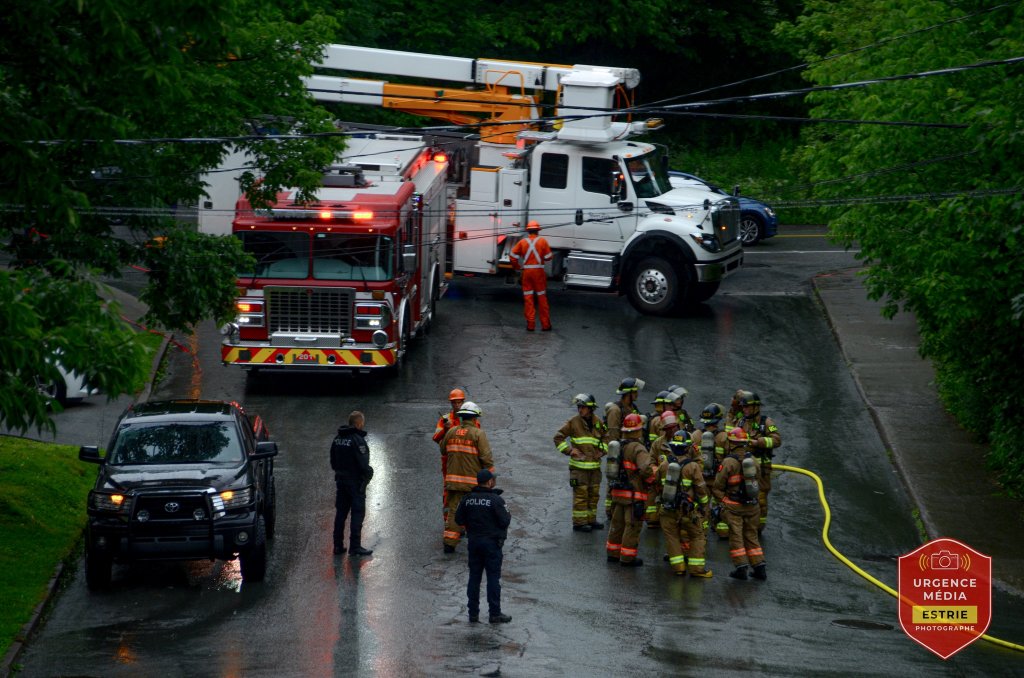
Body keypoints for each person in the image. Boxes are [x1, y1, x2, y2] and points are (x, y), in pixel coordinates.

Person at [455, 469, 512, 624]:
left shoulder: (467, 499)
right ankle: (495, 614)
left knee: (474, 577)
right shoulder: (496, 500)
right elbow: (505, 521)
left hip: (474, 543)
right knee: (493, 578)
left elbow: (458, 519)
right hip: (492, 544)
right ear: (489, 482)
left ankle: (473, 614)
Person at [712, 427, 766, 580]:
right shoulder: (753, 460)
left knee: (736, 535)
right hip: (752, 506)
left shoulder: (728, 462)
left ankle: (741, 568)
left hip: (734, 506)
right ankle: (759, 567)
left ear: (731, 443)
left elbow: (717, 486)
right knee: (751, 535)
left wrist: (723, 501)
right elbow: (758, 481)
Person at [441, 402, 494, 553]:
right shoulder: (478, 434)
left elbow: (443, 450)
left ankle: (449, 543)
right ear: (475, 418)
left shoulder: (451, 431)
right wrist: (490, 477)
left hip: (453, 482)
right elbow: (486, 458)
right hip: (472, 483)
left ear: (462, 417)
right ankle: (478, 543)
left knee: (453, 511)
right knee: (476, 512)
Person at [659, 431, 712, 577]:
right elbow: (701, 489)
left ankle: (679, 568)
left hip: (667, 509)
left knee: (672, 537)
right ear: (687, 448)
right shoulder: (693, 466)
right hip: (688, 510)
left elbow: (657, 485)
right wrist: (704, 507)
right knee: (698, 536)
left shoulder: (664, 465)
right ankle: (697, 570)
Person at [606, 413, 656, 567]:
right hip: (634, 495)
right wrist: (652, 479)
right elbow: (646, 469)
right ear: (638, 430)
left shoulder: (619, 446)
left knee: (617, 523)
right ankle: (627, 558)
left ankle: (613, 553)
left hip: (618, 492)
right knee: (632, 525)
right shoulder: (638, 448)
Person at [553, 393, 609, 532]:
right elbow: (558, 437)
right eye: (579, 407)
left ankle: (591, 520)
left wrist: (602, 451)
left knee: (593, 495)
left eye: (583, 407)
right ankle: (579, 523)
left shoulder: (598, 422)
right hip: (578, 468)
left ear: (590, 408)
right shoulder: (573, 422)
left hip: (594, 468)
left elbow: (607, 438)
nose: (580, 410)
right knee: (581, 495)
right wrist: (569, 450)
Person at [734, 391, 782, 534]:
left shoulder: (766, 422)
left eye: (747, 407)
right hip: (743, 466)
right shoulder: (740, 421)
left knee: (760, 498)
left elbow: (777, 440)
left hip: (762, 469)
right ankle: (743, 524)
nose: (745, 409)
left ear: (756, 407)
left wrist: (759, 442)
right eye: (743, 407)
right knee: (741, 494)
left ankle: (758, 527)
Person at [330, 411, 374, 556]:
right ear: (359, 424)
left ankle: (337, 545)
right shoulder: (357, 440)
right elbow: (364, 464)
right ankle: (355, 547)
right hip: (355, 483)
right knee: (357, 513)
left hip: (340, 480)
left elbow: (333, 461)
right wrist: (368, 473)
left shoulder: (337, 439)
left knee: (341, 514)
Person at [433, 388, 470, 522]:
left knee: (466, 488)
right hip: (449, 460)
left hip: (466, 459)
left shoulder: (469, 418)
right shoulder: (445, 419)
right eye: (454, 403)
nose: (457, 405)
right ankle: (448, 519)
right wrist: (445, 429)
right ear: (451, 403)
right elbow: (436, 437)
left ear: (463, 402)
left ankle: (464, 520)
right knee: (449, 489)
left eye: (459, 402)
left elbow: (476, 435)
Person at [509, 220, 553, 331]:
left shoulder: (522, 242)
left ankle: (530, 325)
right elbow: (548, 257)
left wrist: (517, 267)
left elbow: (512, 256)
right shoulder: (542, 241)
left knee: (528, 298)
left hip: (527, 273)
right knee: (542, 298)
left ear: (528, 231)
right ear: (538, 231)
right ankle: (545, 325)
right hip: (539, 273)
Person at [695, 402, 730, 539]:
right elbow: (730, 460)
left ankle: (702, 532)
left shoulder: (696, 435)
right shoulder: (724, 437)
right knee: (721, 505)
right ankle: (722, 531)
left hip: (701, 479)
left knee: (702, 507)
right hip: (718, 480)